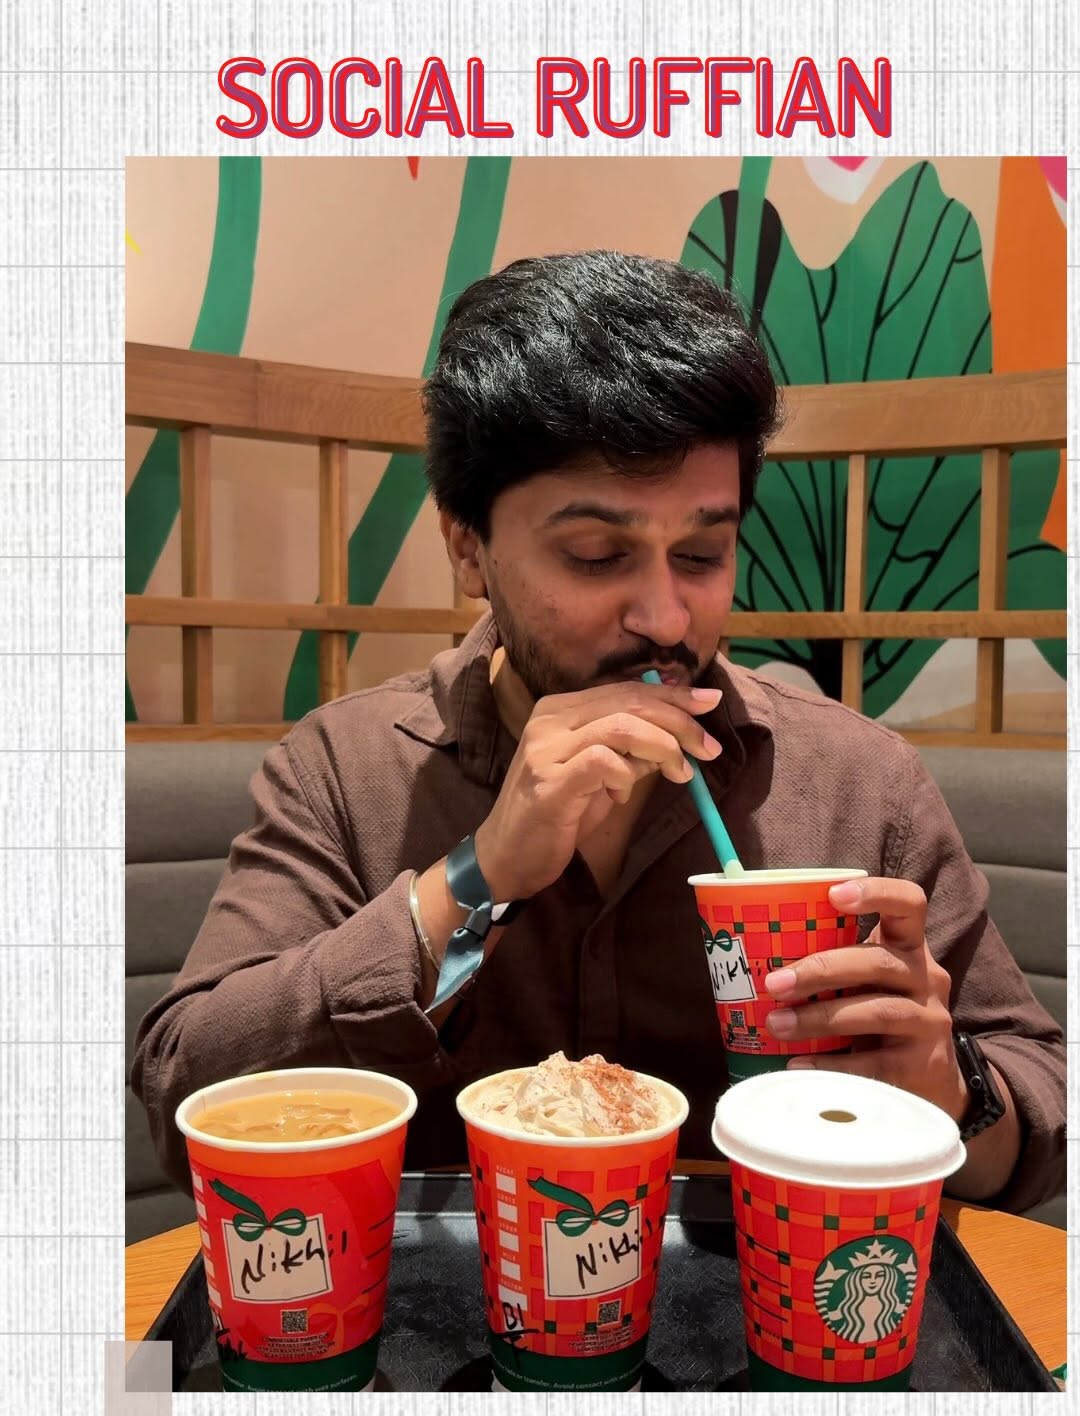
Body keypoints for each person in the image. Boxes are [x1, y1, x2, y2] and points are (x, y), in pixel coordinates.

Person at [132, 250, 1065, 1214]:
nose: (665, 617)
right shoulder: (346, 769)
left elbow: (1043, 1127)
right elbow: (182, 1091)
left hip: (775, 1285)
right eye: (594, 554)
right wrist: (475, 880)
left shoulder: (857, 781)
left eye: (702, 553)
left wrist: (950, 1090)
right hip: (443, 1292)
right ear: (467, 546)